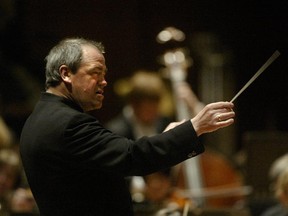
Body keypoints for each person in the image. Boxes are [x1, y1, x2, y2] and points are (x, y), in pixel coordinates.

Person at [19, 37, 235, 216]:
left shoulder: (38, 119)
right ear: (66, 74)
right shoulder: (69, 124)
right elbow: (132, 156)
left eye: (104, 74)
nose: (104, 81)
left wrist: (172, 135)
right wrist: (193, 126)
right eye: (96, 72)